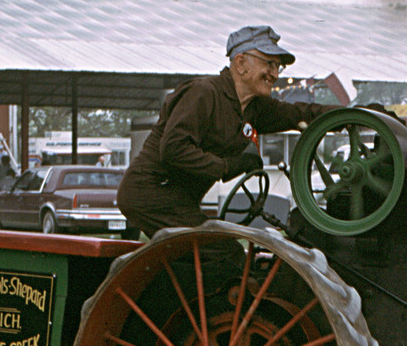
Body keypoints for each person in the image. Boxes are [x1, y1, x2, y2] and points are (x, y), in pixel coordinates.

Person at [118, 25, 336, 237]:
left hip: (181, 201)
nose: (274, 74)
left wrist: (360, 114)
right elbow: (174, 149)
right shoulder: (203, 93)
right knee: (223, 252)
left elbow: (300, 112)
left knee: (205, 252)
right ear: (241, 63)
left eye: (278, 67)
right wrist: (227, 166)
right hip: (149, 193)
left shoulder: (254, 107)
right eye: (269, 64)